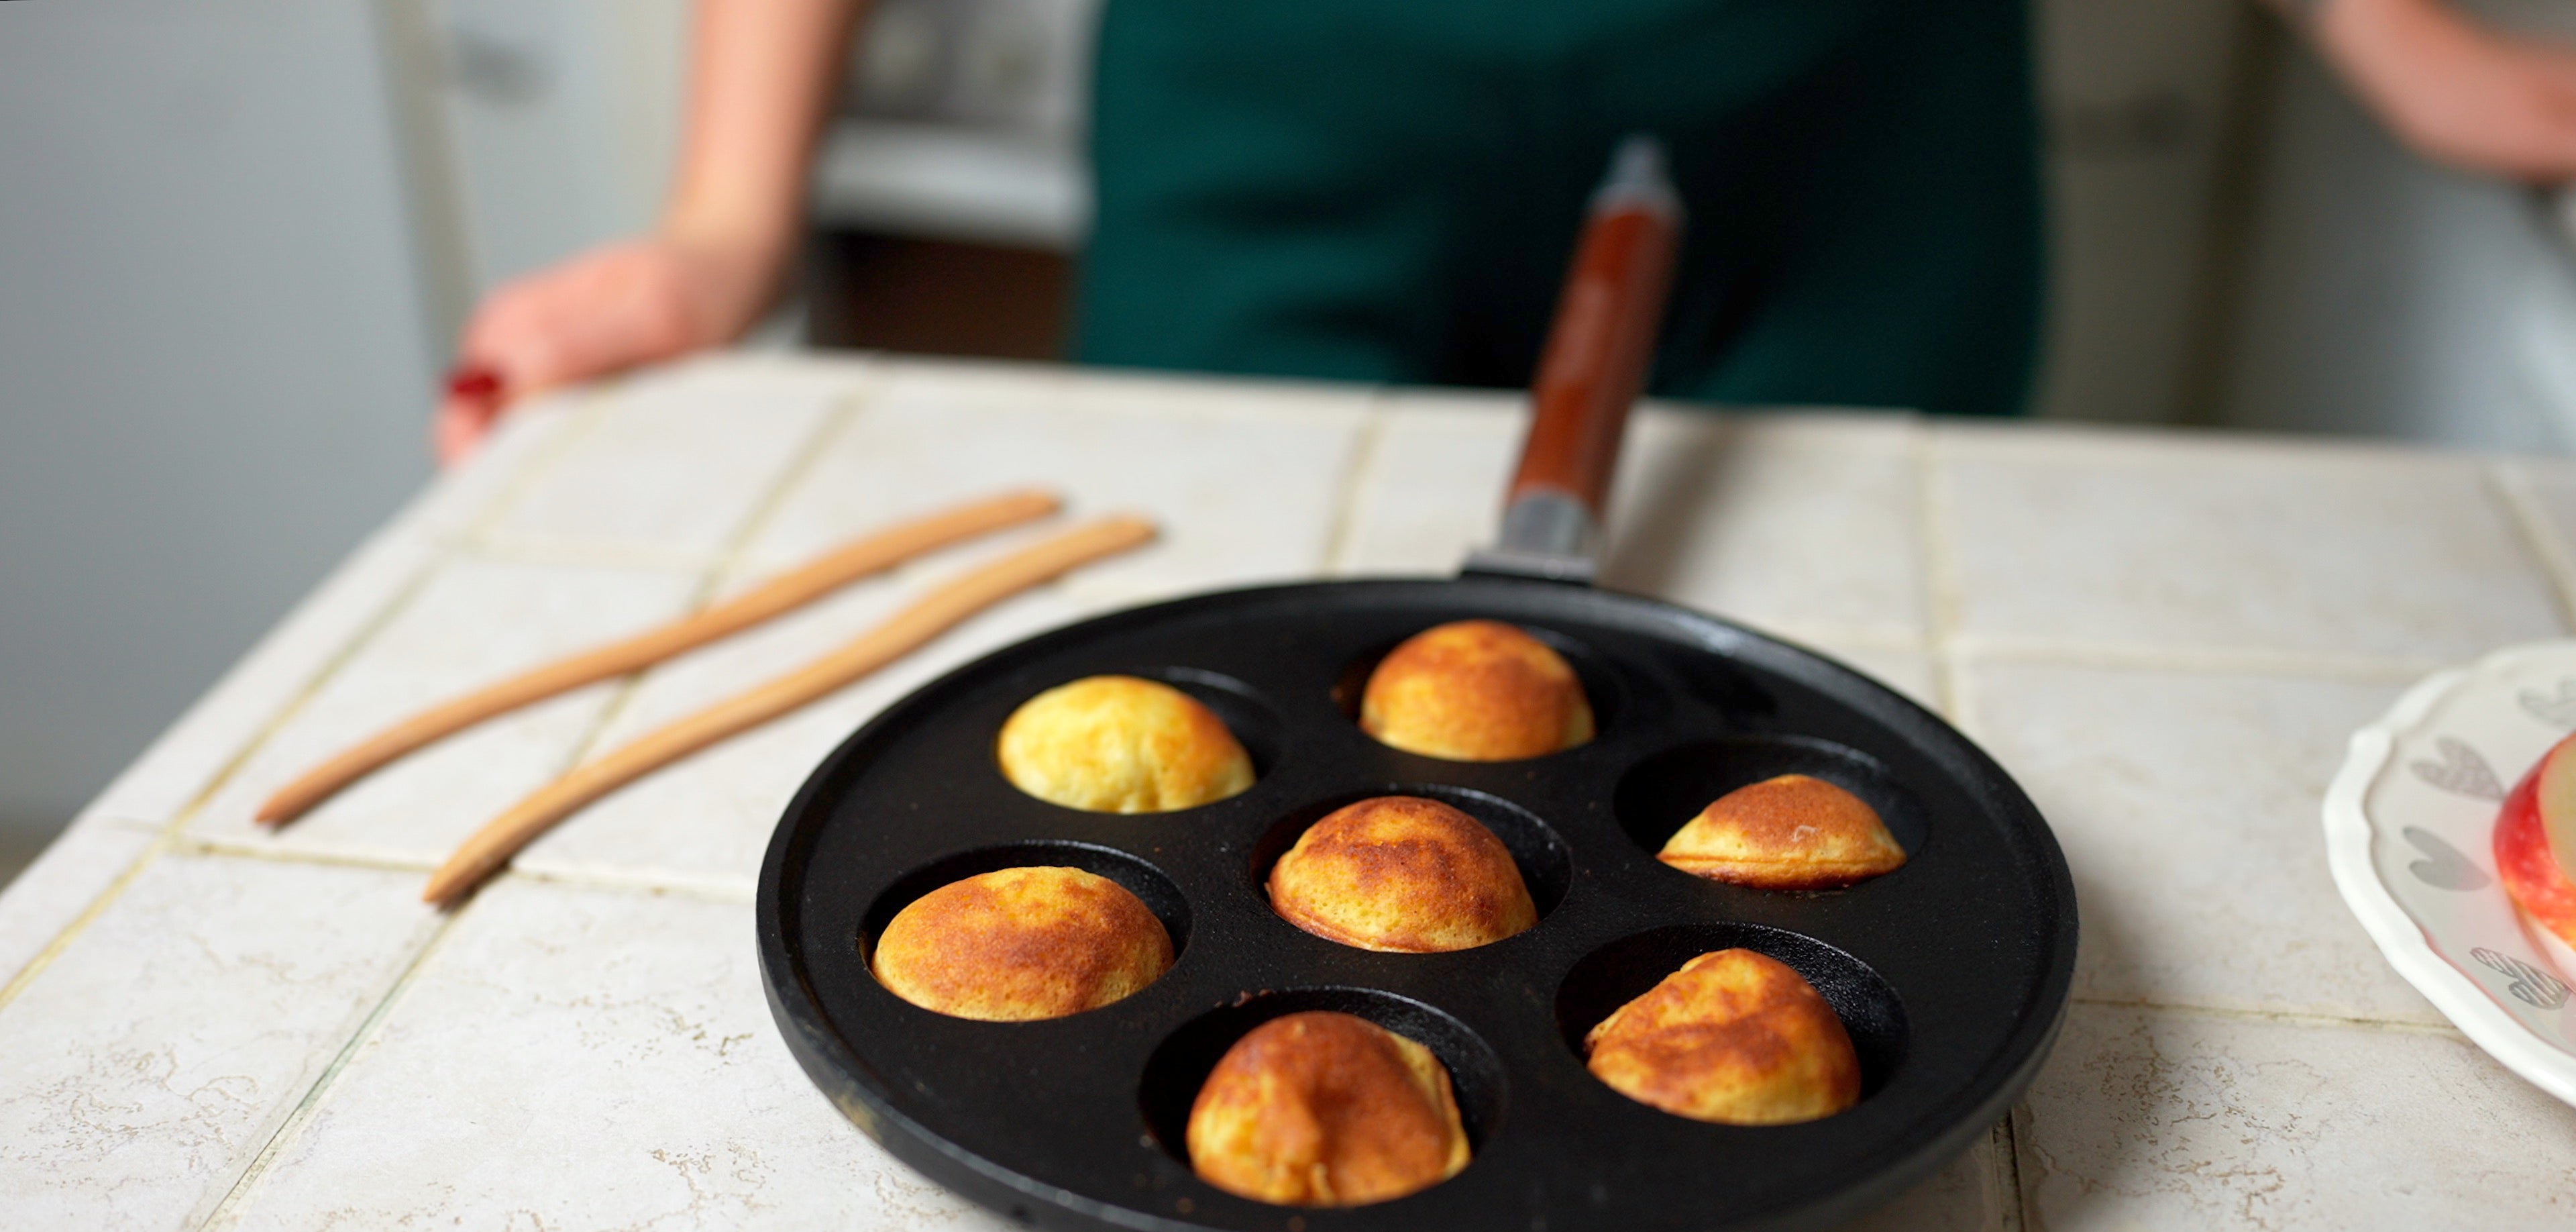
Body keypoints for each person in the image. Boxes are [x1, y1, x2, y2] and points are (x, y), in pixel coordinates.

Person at [432, 0, 2576, 463]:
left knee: (1829, 734)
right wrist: (725, 228)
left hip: (1840, 100)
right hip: (1282, 90)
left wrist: (2407, 52)